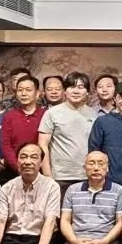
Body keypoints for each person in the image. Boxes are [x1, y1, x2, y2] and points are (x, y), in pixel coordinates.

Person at [38, 71, 96, 199]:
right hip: (60, 177)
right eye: (71, 87)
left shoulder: (94, 115)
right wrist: (47, 176)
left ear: (87, 92)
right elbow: (42, 144)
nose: (76, 91)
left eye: (80, 87)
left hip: (87, 175)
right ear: (65, 91)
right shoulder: (52, 113)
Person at [1, 75, 45, 174]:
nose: (23, 93)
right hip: (15, 170)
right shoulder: (9, 116)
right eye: (20, 90)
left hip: (41, 169)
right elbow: (6, 145)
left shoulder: (46, 115)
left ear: (37, 94)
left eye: (28, 90)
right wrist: (18, 167)